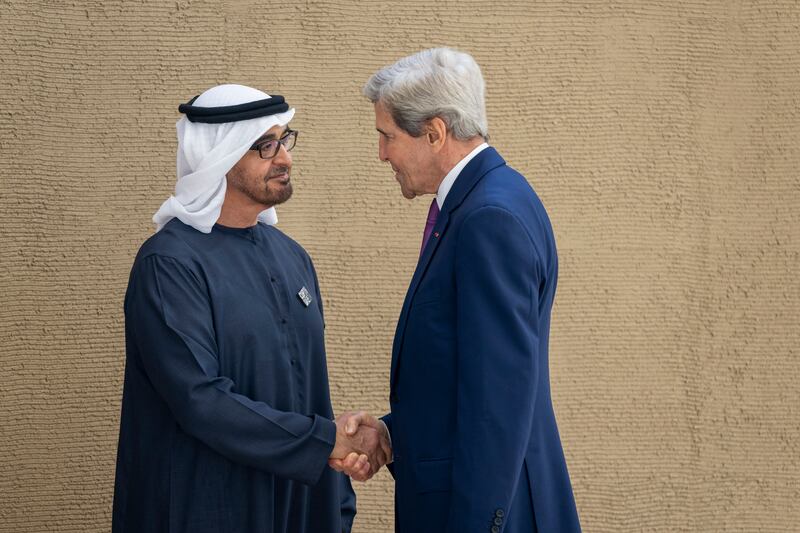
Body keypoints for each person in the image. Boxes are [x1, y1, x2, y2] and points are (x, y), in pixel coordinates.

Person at [113, 83, 389, 533]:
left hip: (295, 509)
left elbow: (307, 388)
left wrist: (335, 489)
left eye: (285, 140)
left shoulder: (292, 256)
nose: (285, 158)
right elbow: (199, 400)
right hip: (206, 510)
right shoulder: (169, 265)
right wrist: (328, 441)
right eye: (265, 146)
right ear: (218, 157)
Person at [331, 49, 582, 533]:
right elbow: (458, 376)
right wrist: (390, 434)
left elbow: (497, 404)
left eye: (387, 136)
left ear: (435, 132)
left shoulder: (488, 219)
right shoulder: (488, 201)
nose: (381, 153)